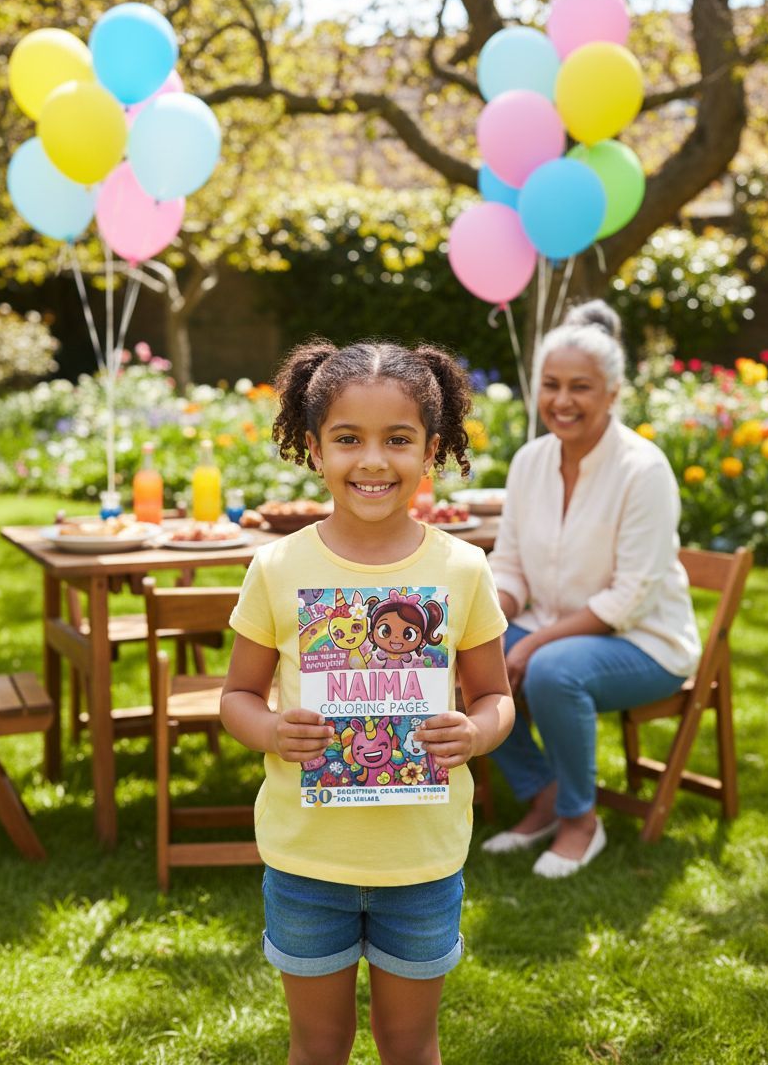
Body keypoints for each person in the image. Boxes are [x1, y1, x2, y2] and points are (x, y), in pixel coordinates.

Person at [221, 339, 514, 1065]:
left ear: (432, 449)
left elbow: (496, 698)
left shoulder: (462, 568)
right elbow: (235, 695)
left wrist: (474, 736)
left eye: (398, 440)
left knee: (409, 1044)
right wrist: (269, 729)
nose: (373, 461)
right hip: (306, 862)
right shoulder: (278, 566)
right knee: (317, 1044)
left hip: (420, 865)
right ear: (315, 449)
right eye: (348, 439)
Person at [482, 300, 701, 878]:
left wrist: (529, 644)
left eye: (581, 387)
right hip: (551, 625)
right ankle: (544, 793)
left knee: (554, 669)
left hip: (644, 641)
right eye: (551, 385)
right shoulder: (530, 462)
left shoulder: (643, 470)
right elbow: (508, 565)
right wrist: (496, 617)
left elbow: (628, 597)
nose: (562, 400)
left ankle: (582, 819)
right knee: (471, 657)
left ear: (612, 392)